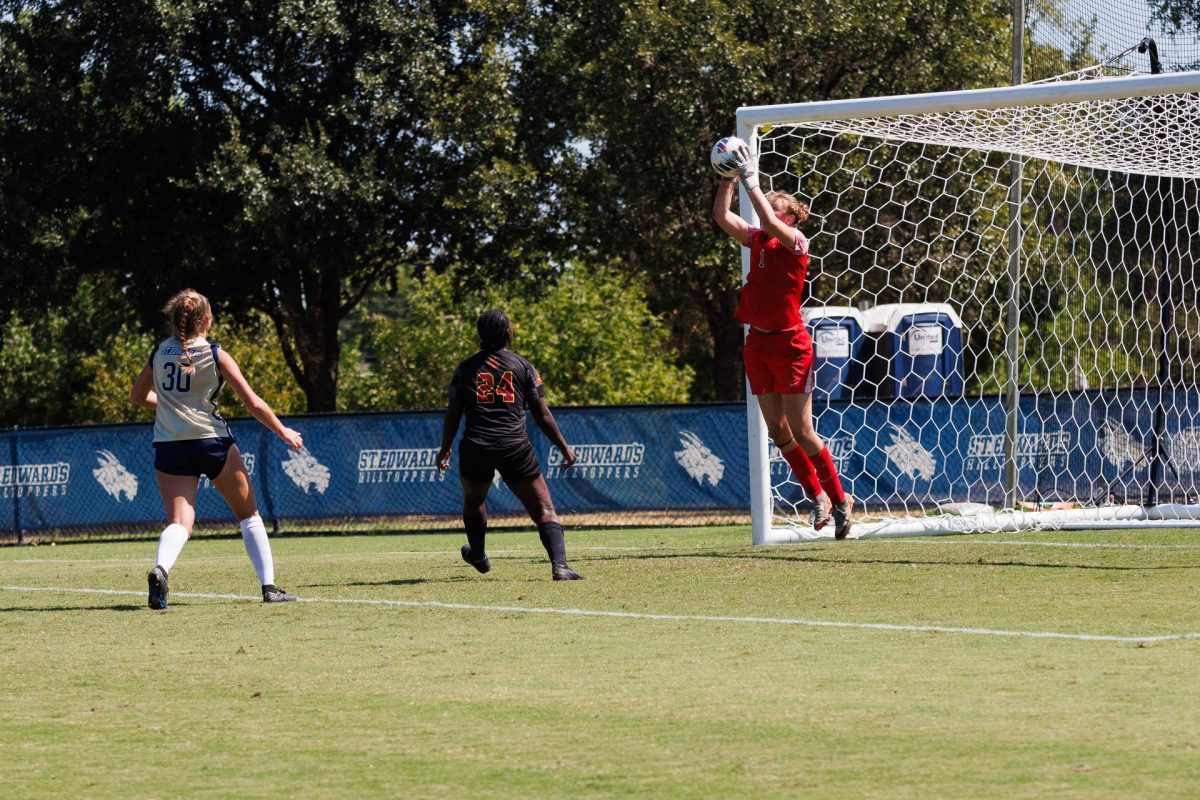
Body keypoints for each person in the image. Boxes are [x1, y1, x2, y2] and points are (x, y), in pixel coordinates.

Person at [712, 143, 854, 539]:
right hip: (758, 344)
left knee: (802, 429)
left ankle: (840, 499)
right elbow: (721, 217)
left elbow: (767, 220)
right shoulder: (759, 239)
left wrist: (750, 179)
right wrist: (727, 179)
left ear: (791, 215)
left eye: (777, 204)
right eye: (768, 202)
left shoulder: (795, 242)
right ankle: (817, 498)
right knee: (777, 431)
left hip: (791, 344)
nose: (768, 207)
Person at [131, 289, 304, 608]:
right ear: (207, 320)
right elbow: (252, 403)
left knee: (180, 522)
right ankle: (269, 587)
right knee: (249, 514)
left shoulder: (159, 352)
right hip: (212, 442)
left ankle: (161, 569)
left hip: (170, 445)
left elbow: (138, 396)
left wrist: (173, 407)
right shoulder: (214, 353)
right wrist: (283, 431)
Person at [436, 310, 585, 580]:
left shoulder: (466, 368)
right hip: (514, 446)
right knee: (544, 509)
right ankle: (560, 565)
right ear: (507, 333)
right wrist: (563, 446)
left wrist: (445, 447)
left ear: (480, 335)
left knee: (474, 501)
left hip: (476, 446)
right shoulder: (523, 366)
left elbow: (453, 412)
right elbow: (542, 415)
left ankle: (478, 555)